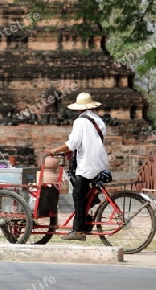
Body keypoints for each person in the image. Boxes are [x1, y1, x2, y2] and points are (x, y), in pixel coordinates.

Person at [46, 92, 109, 241]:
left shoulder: (80, 121)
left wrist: (54, 151)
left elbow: (72, 144)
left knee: (78, 196)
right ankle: (87, 220)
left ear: (78, 108)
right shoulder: (98, 120)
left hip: (87, 164)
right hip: (100, 162)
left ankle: (78, 230)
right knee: (87, 194)